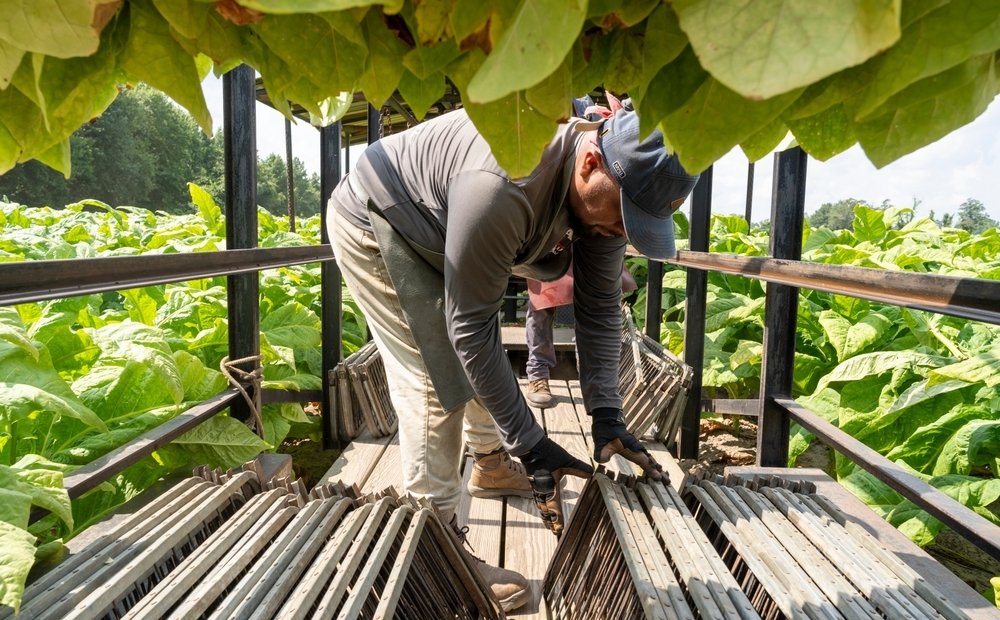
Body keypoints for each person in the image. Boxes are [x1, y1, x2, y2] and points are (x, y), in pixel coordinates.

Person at [326, 104, 698, 611]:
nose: (620, 232)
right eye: (624, 215)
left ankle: (490, 465)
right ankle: (432, 552)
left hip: (445, 229)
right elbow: (469, 329)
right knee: (435, 378)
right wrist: (531, 441)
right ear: (589, 162)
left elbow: (599, 308)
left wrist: (608, 415)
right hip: (382, 218)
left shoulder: (606, 205)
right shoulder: (503, 183)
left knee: (474, 359)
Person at [523, 264, 637, 408]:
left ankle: (592, 378)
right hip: (548, 249)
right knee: (540, 306)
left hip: (590, 245)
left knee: (593, 305)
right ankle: (537, 376)